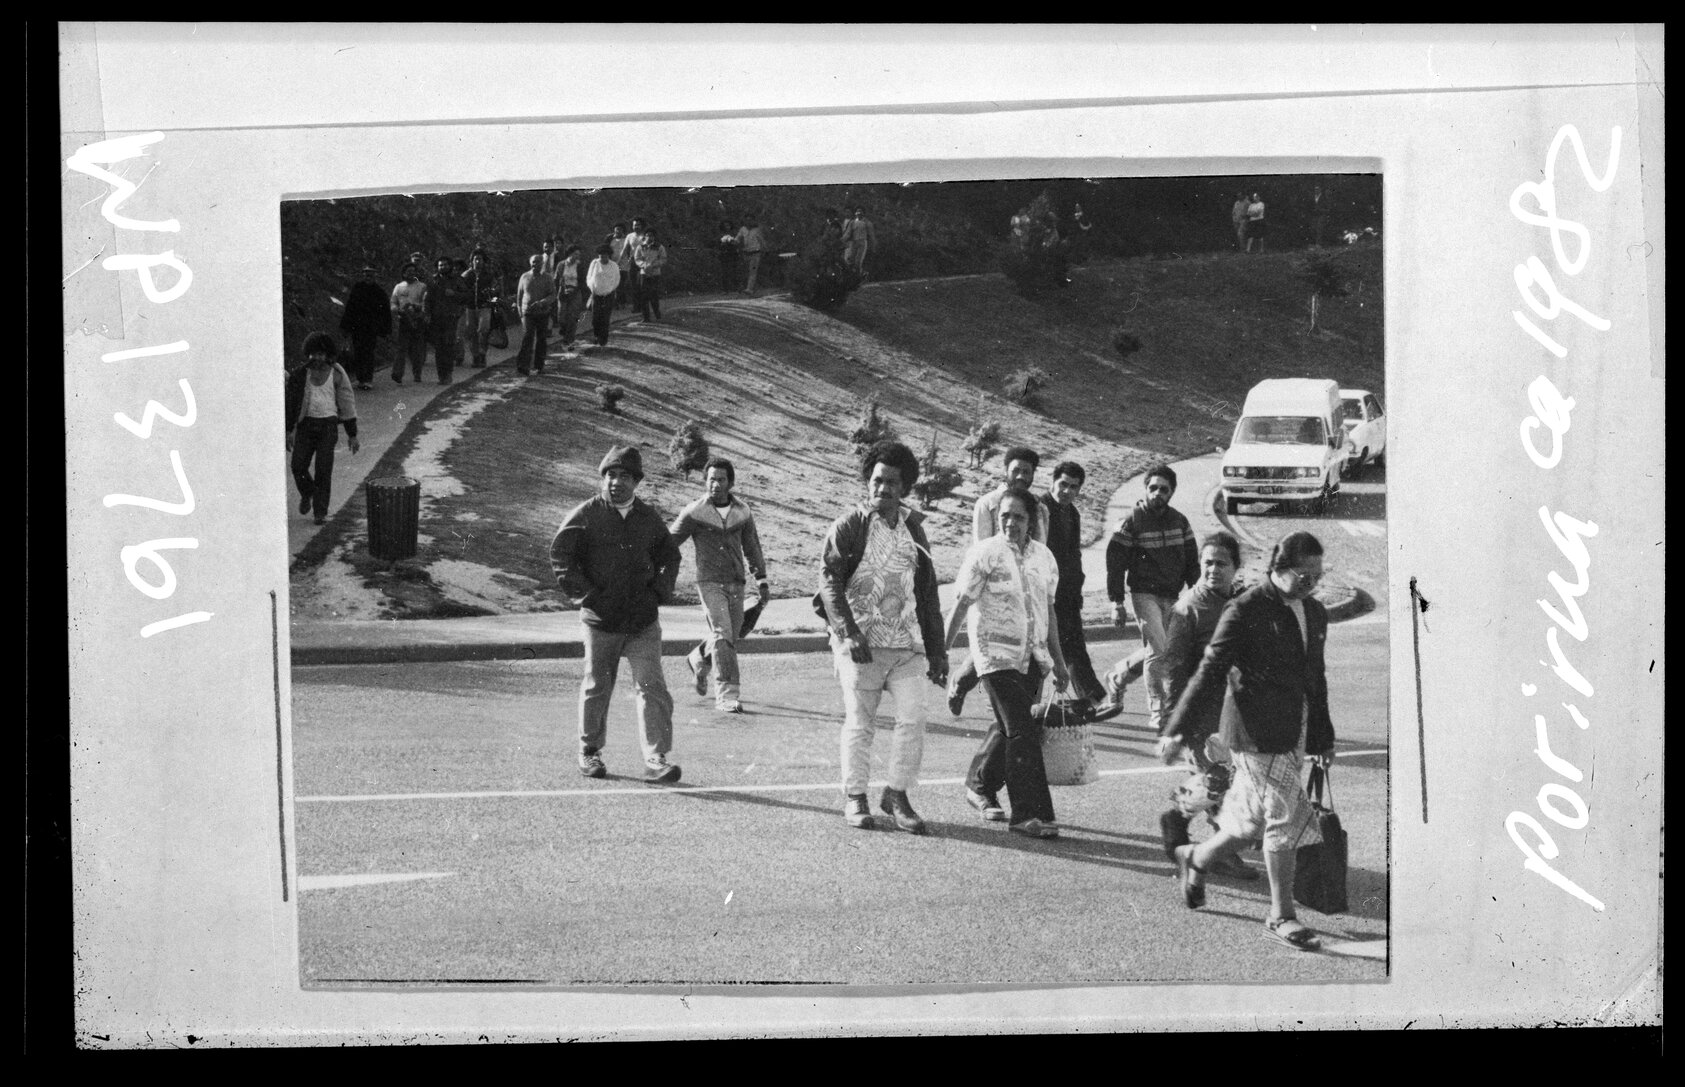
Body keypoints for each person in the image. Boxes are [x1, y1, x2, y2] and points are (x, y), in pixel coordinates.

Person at [1160, 531, 1336, 951]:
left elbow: (1316, 677)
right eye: (1302, 573)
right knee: (1283, 815)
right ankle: (1280, 915)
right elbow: (1208, 670)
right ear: (1278, 566)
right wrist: (1176, 729)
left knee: (1251, 822)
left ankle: (1196, 858)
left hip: (1294, 729)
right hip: (1254, 733)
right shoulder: (1246, 608)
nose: (1311, 582)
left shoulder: (1314, 612)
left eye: (1317, 574)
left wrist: (1322, 738)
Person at [818, 439, 949, 834]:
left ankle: (896, 794)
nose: (882, 489)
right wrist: (848, 632)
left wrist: (938, 652)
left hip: (905, 646)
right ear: (867, 482)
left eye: (892, 483)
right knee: (860, 724)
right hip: (861, 646)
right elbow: (828, 580)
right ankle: (855, 797)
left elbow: (927, 594)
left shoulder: (913, 530)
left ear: (904, 487)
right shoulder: (850, 525)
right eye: (876, 481)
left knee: (914, 719)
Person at [549, 444, 683, 785]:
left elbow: (670, 556)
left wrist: (658, 592)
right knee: (597, 686)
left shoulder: (648, 518)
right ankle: (589, 752)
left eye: (624, 476)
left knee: (652, 686)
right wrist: (588, 596)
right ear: (602, 478)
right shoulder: (586, 514)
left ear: (636, 482)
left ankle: (656, 758)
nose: (615, 482)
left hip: (641, 622)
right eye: (610, 475)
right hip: (601, 621)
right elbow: (561, 556)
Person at [947, 489, 1069, 838]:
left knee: (1010, 727)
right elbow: (960, 605)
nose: (1010, 522)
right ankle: (1028, 815)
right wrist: (940, 652)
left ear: (1031, 520)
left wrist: (1060, 662)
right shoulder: (985, 553)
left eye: (1018, 516)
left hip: (1031, 658)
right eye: (1005, 515)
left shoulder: (1044, 558)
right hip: (994, 657)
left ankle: (979, 784)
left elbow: (1051, 612)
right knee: (1022, 729)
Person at [1152, 531, 1257, 880]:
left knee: (1224, 781)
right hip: (1202, 714)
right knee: (1219, 782)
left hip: (1235, 712)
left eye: (1221, 563)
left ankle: (1179, 818)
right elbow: (1173, 672)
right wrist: (1174, 727)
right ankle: (1212, 846)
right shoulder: (1187, 609)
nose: (1213, 570)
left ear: (1236, 567)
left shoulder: (1241, 602)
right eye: (1207, 563)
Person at [948, 446, 1047, 716]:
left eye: (1027, 472)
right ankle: (962, 682)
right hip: (995, 588)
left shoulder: (1039, 509)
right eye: (1016, 470)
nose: (1021, 476)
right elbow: (981, 550)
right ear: (1006, 470)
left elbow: (1040, 548)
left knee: (1029, 649)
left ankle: (1022, 716)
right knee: (995, 648)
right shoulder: (988, 504)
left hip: (1025, 587)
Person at [669, 458, 771, 714]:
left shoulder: (743, 511)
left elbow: (752, 547)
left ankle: (698, 658)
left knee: (731, 636)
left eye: (721, 479)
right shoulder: (694, 511)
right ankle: (726, 695)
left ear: (731, 483)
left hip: (736, 582)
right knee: (723, 633)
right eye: (711, 479)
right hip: (709, 582)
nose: (715, 484)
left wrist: (761, 579)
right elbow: (669, 543)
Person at [1104, 465, 1199, 736]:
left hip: (1172, 595)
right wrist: (1116, 602)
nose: (1158, 493)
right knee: (1160, 651)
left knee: (1157, 649)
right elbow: (1115, 565)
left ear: (1172, 493)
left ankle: (1118, 676)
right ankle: (1160, 713)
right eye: (1153, 488)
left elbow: (1192, 562)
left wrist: (1196, 594)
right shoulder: (1131, 521)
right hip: (1144, 595)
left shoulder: (1180, 521)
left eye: (1164, 489)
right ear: (1145, 489)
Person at [1039, 461, 1105, 705]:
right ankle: (964, 680)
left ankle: (1091, 697)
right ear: (1053, 482)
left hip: (1067, 591)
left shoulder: (1073, 514)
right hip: (1044, 590)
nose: (1066, 491)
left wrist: (1077, 586)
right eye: (1063, 484)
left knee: (1073, 642)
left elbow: (1074, 553)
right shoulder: (1041, 509)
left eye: (1073, 487)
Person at [284, 331, 360, 526]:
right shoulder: (301, 374)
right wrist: (289, 430)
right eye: (313, 354)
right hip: (306, 426)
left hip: (328, 427)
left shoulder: (337, 373)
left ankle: (320, 512)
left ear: (328, 355)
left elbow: (347, 403)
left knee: (323, 470)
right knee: (298, 466)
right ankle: (308, 492)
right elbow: (292, 404)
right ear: (307, 353)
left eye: (321, 354)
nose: (317, 358)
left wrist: (352, 434)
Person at [338, 264, 390, 390]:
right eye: (366, 275)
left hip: (371, 328)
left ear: (375, 276)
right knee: (358, 352)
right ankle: (360, 378)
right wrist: (346, 326)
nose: (368, 277)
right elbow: (350, 308)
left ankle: (368, 379)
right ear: (363, 276)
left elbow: (385, 312)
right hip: (357, 327)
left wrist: (385, 329)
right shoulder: (357, 288)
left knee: (369, 352)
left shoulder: (379, 292)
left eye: (371, 275)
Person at [514, 253, 555, 376]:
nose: (535, 264)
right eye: (533, 262)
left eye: (538, 262)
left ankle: (539, 365)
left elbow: (553, 295)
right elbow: (519, 296)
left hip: (543, 313)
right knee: (527, 337)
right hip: (528, 313)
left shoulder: (547, 278)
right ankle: (522, 366)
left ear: (542, 264)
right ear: (530, 263)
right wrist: (520, 312)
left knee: (541, 339)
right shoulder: (524, 277)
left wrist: (542, 302)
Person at [424, 256, 464, 384]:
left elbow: (466, 296)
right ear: (437, 267)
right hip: (436, 318)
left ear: (450, 266)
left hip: (451, 317)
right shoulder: (433, 280)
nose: (443, 267)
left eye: (445, 265)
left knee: (449, 346)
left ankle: (448, 373)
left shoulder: (457, 280)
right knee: (439, 348)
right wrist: (427, 314)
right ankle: (441, 376)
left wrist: (454, 294)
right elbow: (427, 299)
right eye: (440, 265)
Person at [460, 249, 501, 369]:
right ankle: (476, 356)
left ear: (484, 261)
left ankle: (483, 353)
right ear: (472, 261)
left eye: (480, 259)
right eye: (475, 259)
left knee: (483, 330)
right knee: (471, 332)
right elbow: (460, 289)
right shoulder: (466, 275)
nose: (478, 261)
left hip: (484, 306)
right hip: (470, 307)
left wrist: (493, 293)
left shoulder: (488, 275)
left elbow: (496, 288)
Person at [388, 262, 429, 384]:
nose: (411, 274)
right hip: (403, 320)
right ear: (404, 273)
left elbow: (425, 303)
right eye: (408, 271)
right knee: (401, 348)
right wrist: (396, 309)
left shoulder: (422, 287)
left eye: (413, 271)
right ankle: (397, 374)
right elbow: (393, 302)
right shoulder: (399, 287)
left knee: (416, 349)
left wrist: (416, 307)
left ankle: (417, 373)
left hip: (417, 320)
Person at [584, 244, 621, 348]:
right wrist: (592, 287)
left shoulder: (614, 266)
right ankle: (596, 334)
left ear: (608, 255)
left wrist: (610, 290)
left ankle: (603, 340)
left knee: (605, 318)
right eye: (600, 256)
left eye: (605, 256)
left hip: (608, 295)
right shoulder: (594, 263)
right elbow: (589, 277)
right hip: (596, 294)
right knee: (595, 318)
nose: (602, 258)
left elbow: (617, 280)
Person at [553, 243, 586, 350]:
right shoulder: (561, 265)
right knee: (561, 318)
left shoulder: (580, 265)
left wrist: (574, 290)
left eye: (579, 255)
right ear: (570, 254)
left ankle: (569, 341)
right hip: (563, 292)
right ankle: (565, 331)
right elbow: (556, 279)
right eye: (575, 254)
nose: (577, 256)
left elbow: (582, 281)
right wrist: (559, 290)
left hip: (575, 293)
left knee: (572, 318)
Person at [631, 226, 667, 322]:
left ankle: (657, 315)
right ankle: (646, 317)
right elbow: (637, 259)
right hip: (644, 274)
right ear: (644, 236)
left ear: (654, 237)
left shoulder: (659, 247)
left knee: (654, 295)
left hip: (655, 274)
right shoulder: (640, 247)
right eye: (647, 235)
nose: (649, 238)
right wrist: (643, 265)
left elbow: (663, 259)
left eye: (651, 236)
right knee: (644, 296)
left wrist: (653, 265)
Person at [840, 206, 876, 278]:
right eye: (857, 212)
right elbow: (848, 233)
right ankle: (850, 276)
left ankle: (858, 275)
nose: (859, 213)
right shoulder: (852, 222)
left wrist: (873, 245)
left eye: (860, 211)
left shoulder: (867, 223)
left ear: (863, 213)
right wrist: (841, 241)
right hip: (854, 242)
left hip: (862, 242)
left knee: (858, 260)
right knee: (850, 259)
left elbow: (871, 235)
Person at [736, 217, 767, 294]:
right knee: (745, 271)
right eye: (747, 219)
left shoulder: (757, 230)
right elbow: (738, 238)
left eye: (750, 219)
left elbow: (761, 240)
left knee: (752, 271)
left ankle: (749, 288)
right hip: (746, 252)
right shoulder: (743, 229)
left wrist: (764, 248)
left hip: (755, 252)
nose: (748, 221)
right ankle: (745, 287)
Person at [715, 220, 740, 292]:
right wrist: (722, 243)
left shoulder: (733, 234)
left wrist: (732, 242)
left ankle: (736, 288)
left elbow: (737, 243)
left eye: (728, 225)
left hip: (733, 254)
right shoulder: (720, 234)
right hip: (724, 254)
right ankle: (725, 289)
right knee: (725, 272)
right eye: (725, 225)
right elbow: (717, 244)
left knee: (734, 271)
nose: (727, 227)